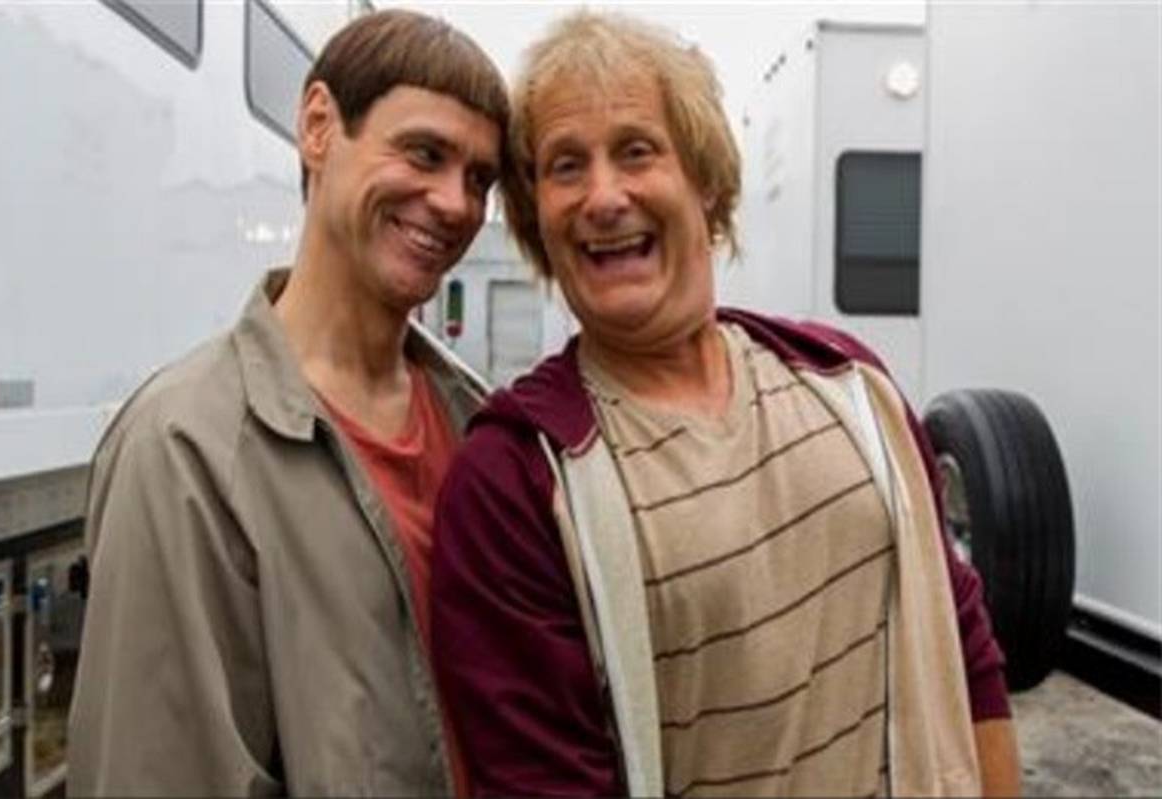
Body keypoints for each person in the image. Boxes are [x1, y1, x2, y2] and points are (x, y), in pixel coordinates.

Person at [431, 11, 1021, 798]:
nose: (603, 196)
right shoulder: (515, 480)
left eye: (636, 150)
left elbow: (966, 650)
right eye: (566, 166)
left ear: (704, 179)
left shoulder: (850, 384)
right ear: (538, 216)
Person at [67, 10, 506, 796]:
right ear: (318, 126)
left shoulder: (478, 425)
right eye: (424, 153)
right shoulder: (185, 448)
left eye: (479, 178)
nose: (455, 203)